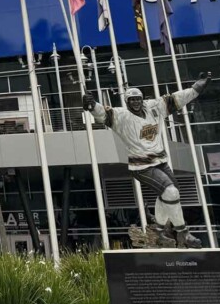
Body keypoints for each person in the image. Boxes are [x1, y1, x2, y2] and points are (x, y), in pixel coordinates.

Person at [82, 73, 213, 249]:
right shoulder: (122, 117)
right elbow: (103, 114)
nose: (135, 102)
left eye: (138, 99)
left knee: (168, 195)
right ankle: (184, 233)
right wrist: (91, 105)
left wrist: (198, 87)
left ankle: (158, 232)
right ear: (127, 102)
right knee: (171, 193)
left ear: (142, 99)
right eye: (131, 100)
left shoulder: (154, 108)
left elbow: (178, 98)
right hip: (141, 165)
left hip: (160, 161)